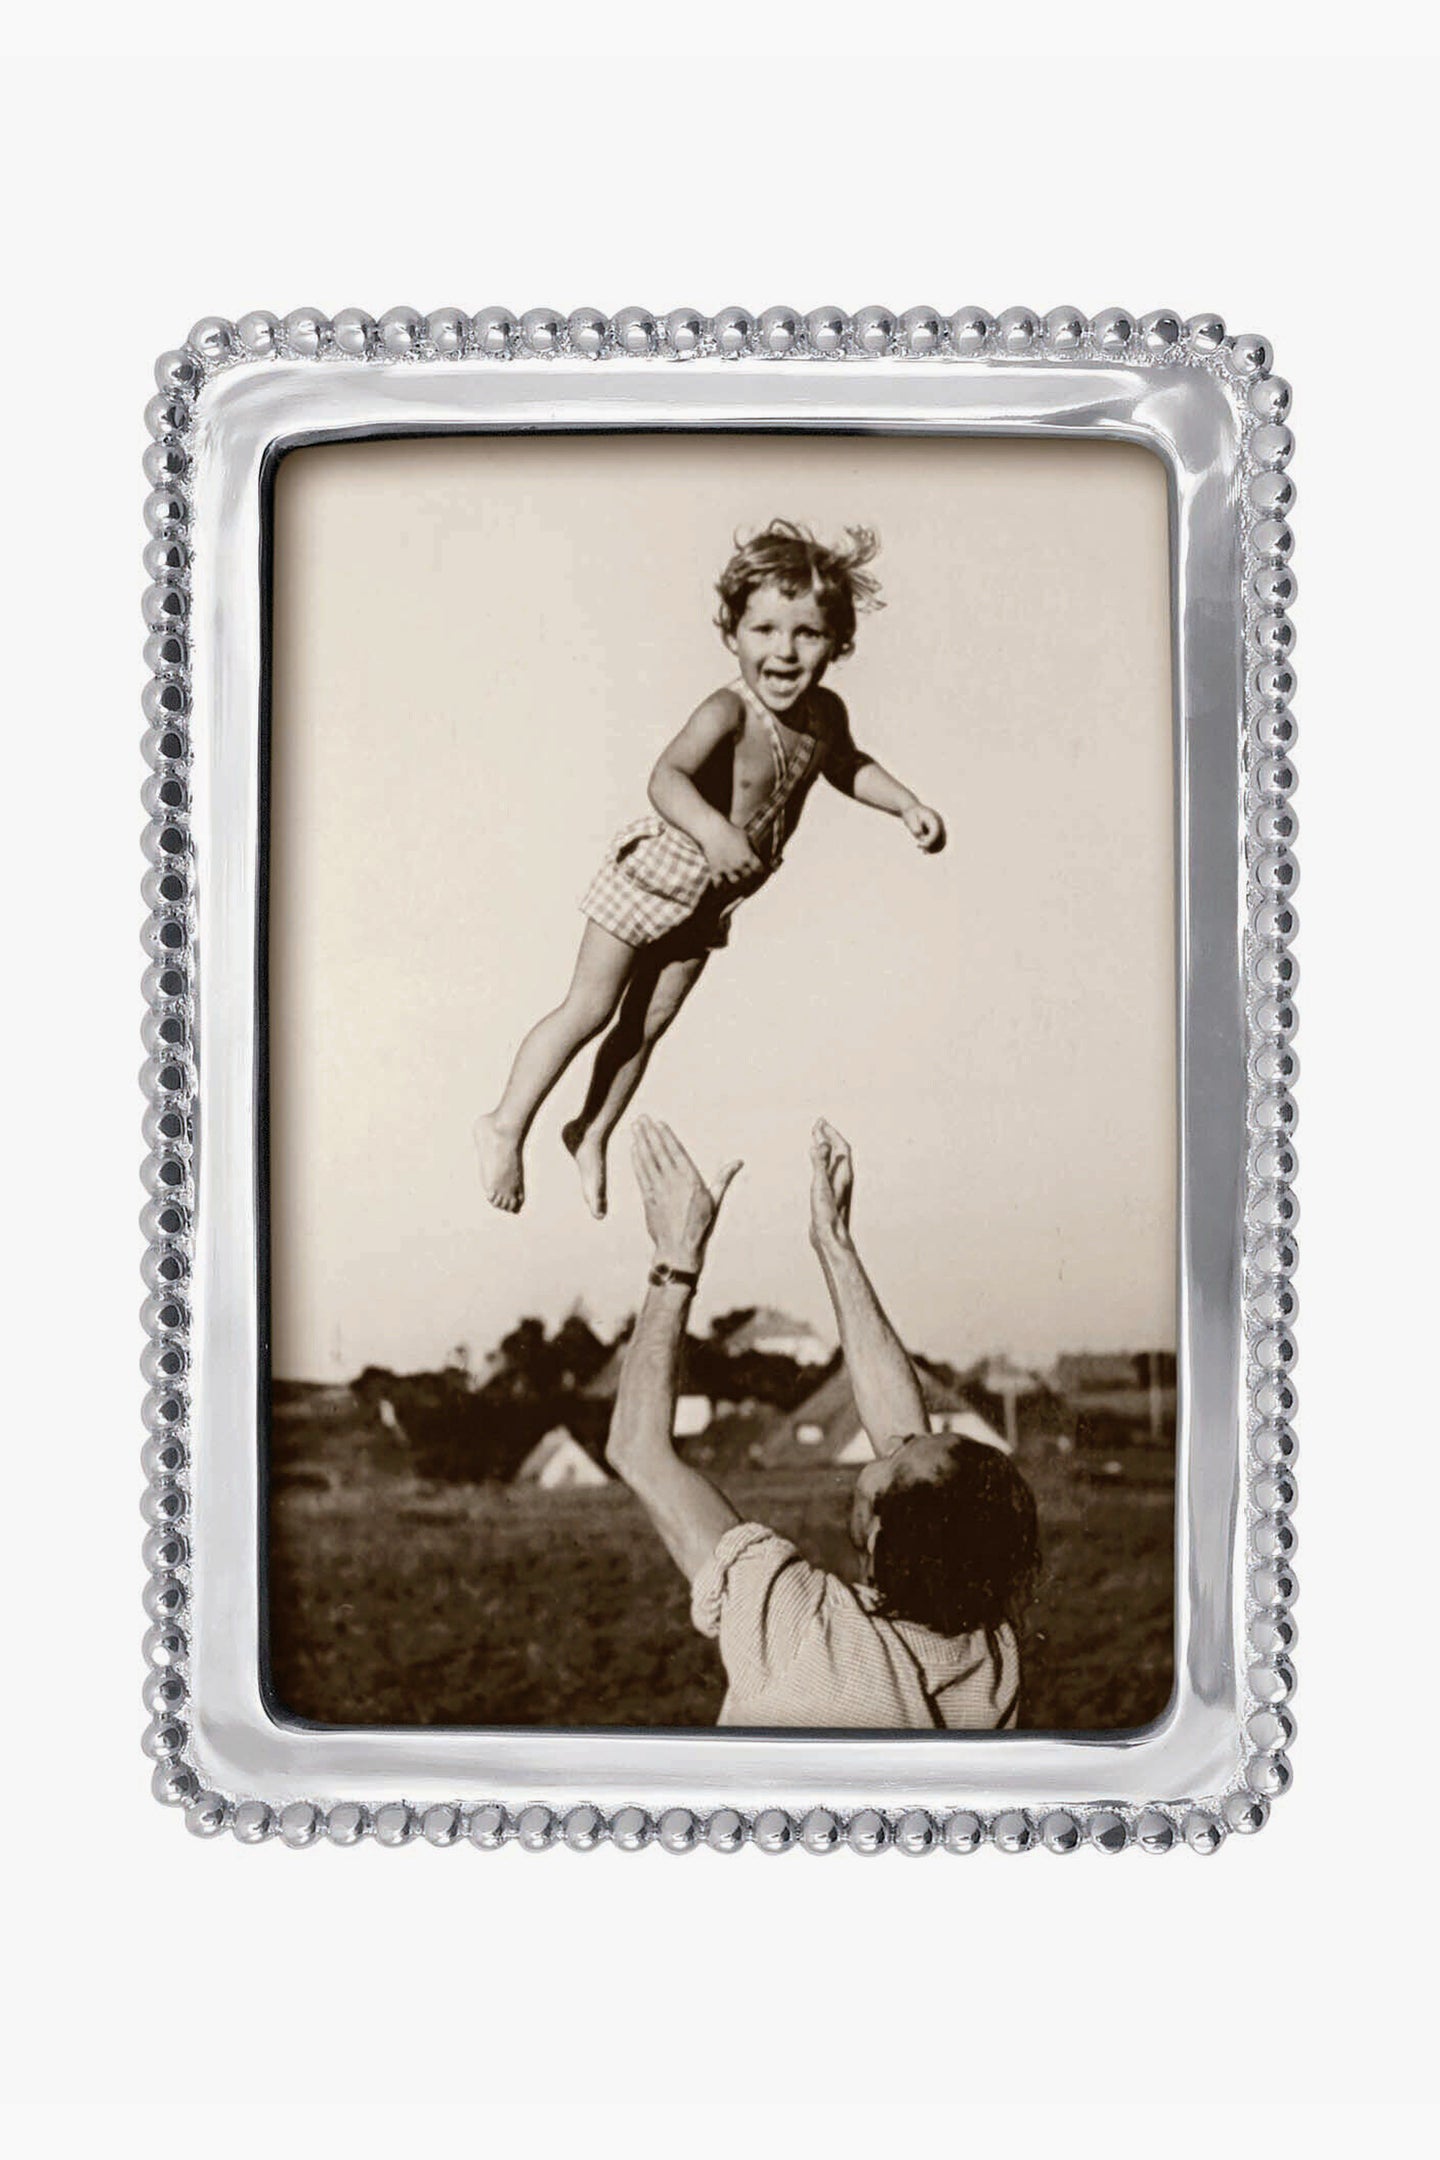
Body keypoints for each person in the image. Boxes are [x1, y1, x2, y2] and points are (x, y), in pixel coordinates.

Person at [475, 522, 946, 1219]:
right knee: (592, 1006)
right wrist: (715, 831)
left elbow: (846, 766)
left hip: (712, 904)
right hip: (654, 878)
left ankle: (589, 1130)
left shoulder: (824, 716)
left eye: (807, 634)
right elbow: (665, 778)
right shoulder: (729, 709)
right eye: (763, 630)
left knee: (648, 1022)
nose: (784, 651)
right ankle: (506, 1123)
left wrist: (906, 804)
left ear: (838, 644)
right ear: (732, 634)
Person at [606, 1115, 1041, 1729]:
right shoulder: (989, 1653)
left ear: (881, 1533)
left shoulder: (804, 1632)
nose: (895, 1436)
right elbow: (907, 1451)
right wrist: (834, 1244)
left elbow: (637, 1450)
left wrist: (676, 1260)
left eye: (897, 1453)